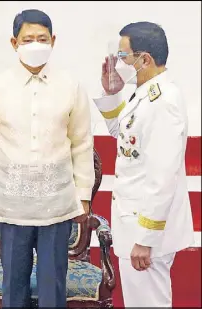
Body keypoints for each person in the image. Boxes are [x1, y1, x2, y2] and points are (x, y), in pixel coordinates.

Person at [0, 9, 95, 307]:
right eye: (28, 39)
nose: (35, 44)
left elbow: (81, 144)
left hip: (58, 202)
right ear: (14, 43)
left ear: (53, 41)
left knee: (53, 285)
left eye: (42, 38)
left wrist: (83, 195)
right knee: (13, 285)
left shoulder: (71, 86)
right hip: (11, 202)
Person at [93, 22, 194, 307]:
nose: (119, 63)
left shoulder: (163, 101)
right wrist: (112, 93)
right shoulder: (146, 94)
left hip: (147, 233)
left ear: (144, 59)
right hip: (137, 226)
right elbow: (124, 136)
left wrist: (145, 238)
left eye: (124, 56)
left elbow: (162, 176)